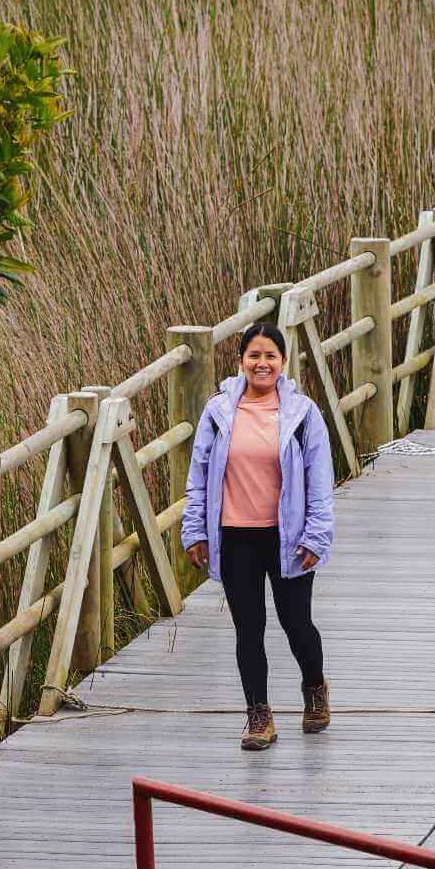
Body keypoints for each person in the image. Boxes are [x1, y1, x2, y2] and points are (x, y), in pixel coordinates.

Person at [181, 322, 334, 751]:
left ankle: (315, 688)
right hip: (235, 537)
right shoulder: (218, 412)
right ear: (241, 361)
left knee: (296, 623)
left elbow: (319, 482)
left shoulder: (303, 414)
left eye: (270, 356)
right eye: (254, 356)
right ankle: (258, 715)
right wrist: (195, 531)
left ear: (283, 363)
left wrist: (316, 537)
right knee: (249, 629)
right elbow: (199, 477)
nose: (261, 364)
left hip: (288, 537)